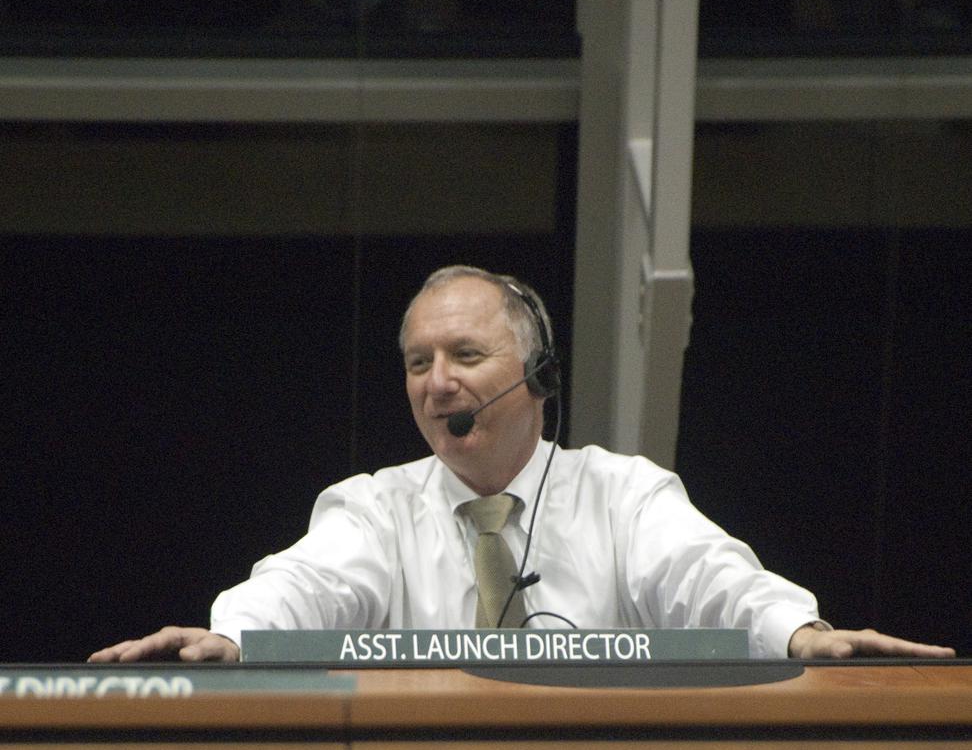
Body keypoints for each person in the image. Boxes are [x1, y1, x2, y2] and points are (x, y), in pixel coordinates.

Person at [89, 265, 955, 665]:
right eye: (418, 363)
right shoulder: (373, 509)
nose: (437, 384)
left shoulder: (620, 495)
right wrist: (233, 637)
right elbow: (303, 585)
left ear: (538, 377)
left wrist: (799, 634)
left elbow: (708, 578)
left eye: (464, 355)